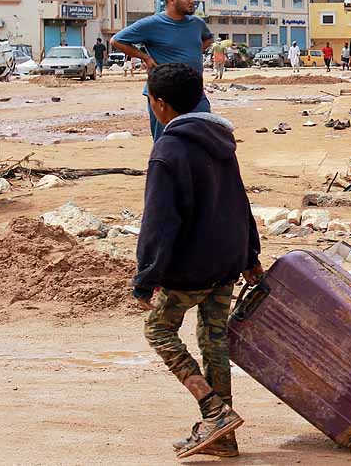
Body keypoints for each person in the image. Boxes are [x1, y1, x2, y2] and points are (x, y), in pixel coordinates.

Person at [133, 63, 263, 458]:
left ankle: (213, 409)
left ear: (159, 104)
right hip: (226, 260)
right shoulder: (219, 140)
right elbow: (240, 200)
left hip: (190, 268)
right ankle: (222, 436)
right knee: (214, 341)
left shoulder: (167, 150)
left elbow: (159, 222)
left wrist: (146, 277)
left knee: (158, 330)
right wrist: (250, 255)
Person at [111, 0, 214, 141]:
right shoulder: (151, 24)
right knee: (168, 140)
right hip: (165, 93)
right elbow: (116, 40)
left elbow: (208, 39)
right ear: (171, 0)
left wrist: (194, 51)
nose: (192, 1)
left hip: (195, 91)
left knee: (204, 137)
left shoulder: (197, 24)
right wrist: (145, 58)